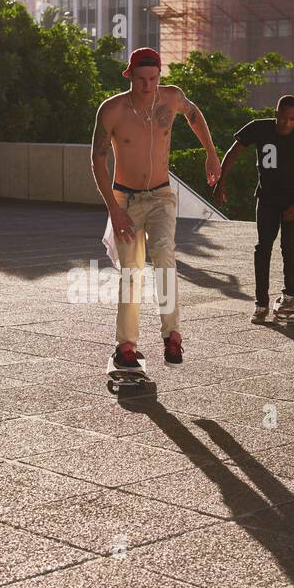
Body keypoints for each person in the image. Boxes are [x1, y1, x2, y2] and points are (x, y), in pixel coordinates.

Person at [91, 48, 221, 367]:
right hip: (125, 199)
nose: (147, 85)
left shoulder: (172, 98)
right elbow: (97, 159)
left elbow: (194, 114)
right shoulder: (112, 109)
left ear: (160, 75)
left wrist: (211, 153)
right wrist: (114, 209)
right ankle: (125, 346)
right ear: (130, 77)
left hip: (161, 196)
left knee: (164, 255)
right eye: (140, 79)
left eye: (153, 78)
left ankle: (172, 336)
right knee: (131, 273)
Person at [216, 96, 294, 322]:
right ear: (275, 113)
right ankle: (261, 303)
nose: (287, 123)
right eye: (284, 117)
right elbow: (234, 151)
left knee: (289, 247)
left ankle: (290, 297)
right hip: (267, 198)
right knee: (263, 248)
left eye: (293, 119)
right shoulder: (259, 128)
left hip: (293, 200)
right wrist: (220, 182)